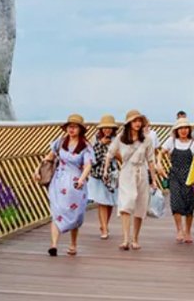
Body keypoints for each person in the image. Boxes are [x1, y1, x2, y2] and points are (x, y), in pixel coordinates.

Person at [37, 114, 94, 256]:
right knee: (57, 210)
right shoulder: (61, 141)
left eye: (75, 127)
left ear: (80, 129)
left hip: (75, 183)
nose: (72, 129)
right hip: (59, 180)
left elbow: (88, 165)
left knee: (75, 214)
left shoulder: (85, 147)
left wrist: (81, 179)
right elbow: (49, 157)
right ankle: (54, 244)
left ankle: (73, 244)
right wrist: (37, 170)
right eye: (70, 126)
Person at [106, 109, 162, 251]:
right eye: (134, 121)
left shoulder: (147, 139)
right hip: (126, 172)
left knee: (140, 205)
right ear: (129, 123)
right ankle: (125, 239)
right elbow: (110, 153)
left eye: (139, 121)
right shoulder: (121, 138)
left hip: (141, 172)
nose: (137, 124)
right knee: (127, 202)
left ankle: (135, 238)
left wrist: (153, 180)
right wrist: (106, 169)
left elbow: (151, 160)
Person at [160, 114, 194, 243]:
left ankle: (188, 231)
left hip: (190, 177)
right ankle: (179, 230)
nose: (183, 130)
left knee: (189, 204)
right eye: (180, 128)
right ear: (176, 130)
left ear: (189, 129)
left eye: (186, 128)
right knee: (176, 202)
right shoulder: (171, 141)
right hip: (175, 175)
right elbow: (161, 152)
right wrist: (159, 164)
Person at [87, 114, 120, 239]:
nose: (107, 130)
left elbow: (122, 157)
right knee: (102, 201)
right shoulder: (94, 139)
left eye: (110, 128)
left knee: (110, 202)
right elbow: (91, 157)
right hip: (98, 173)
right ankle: (104, 228)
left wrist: (114, 151)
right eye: (105, 128)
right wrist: (100, 144)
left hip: (112, 172)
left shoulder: (117, 140)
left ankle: (105, 224)